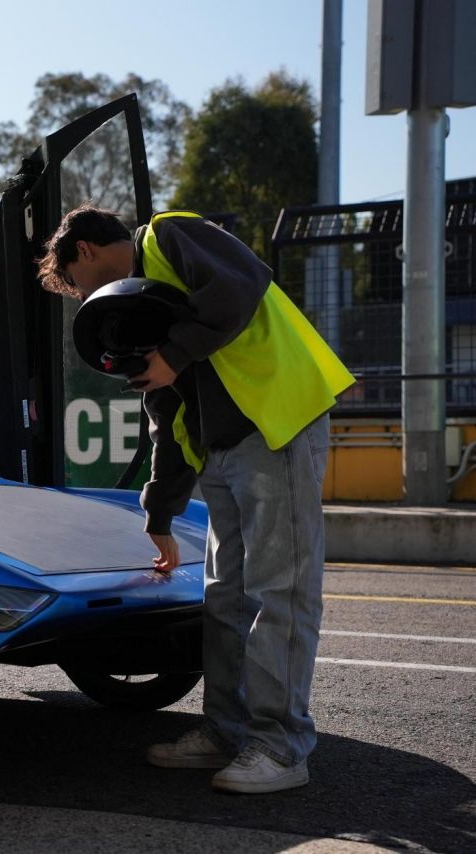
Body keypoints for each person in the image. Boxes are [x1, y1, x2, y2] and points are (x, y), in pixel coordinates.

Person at [38, 205, 354, 795]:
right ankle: (226, 733)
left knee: (278, 593)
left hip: (277, 424)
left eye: (80, 286)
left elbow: (240, 287)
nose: (88, 299)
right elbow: (165, 418)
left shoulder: (168, 236)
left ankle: (281, 749)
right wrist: (159, 513)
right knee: (225, 597)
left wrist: (174, 353)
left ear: (85, 251)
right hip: (227, 448)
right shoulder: (142, 310)